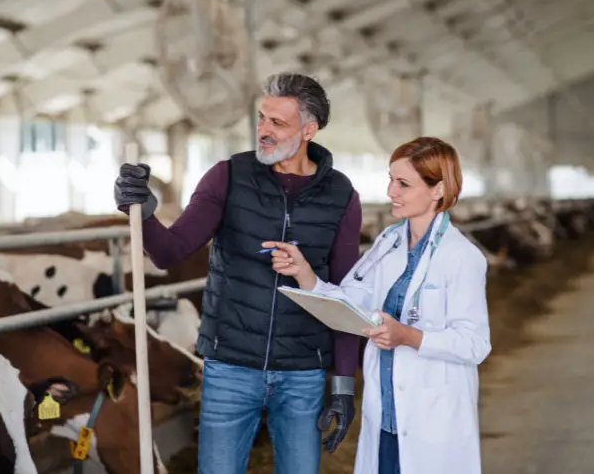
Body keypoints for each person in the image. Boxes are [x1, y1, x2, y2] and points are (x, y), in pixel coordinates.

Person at [113, 72, 363, 474]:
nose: (263, 130)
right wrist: (141, 210)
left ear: (309, 130)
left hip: (303, 371)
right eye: (262, 118)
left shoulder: (342, 195)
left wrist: (344, 382)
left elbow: (346, 295)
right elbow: (169, 252)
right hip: (230, 366)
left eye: (277, 123)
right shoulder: (227, 176)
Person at [263, 136, 492, 474]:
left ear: (438, 189)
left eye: (403, 184)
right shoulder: (388, 242)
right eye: (390, 179)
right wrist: (305, 274)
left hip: (432, 421)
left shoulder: (462, 257)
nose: (390, 192)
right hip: (385, 415)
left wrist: (408, 336)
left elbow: (475, 344)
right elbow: (352, 300)